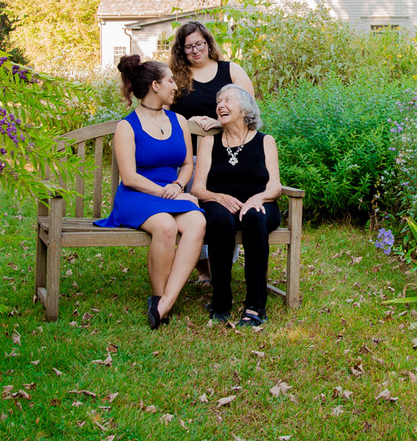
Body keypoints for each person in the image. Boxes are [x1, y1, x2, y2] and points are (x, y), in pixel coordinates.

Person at [94, 55, 206, 330]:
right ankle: (159, 296)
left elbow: (186, 164)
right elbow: (130, 177)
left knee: (197, 222)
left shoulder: (178, 120)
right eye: (169, 80)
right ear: (155, 85)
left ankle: (165, 301)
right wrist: (170, 194)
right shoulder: (126, 126)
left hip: (171, 191)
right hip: (138, 195)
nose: (174, 85)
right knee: (166, 227)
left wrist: (179, 186)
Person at [169, 20, 254, 286]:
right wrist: (188, 123)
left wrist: (221, 123)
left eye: (199, 44)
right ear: (181, 51)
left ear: (208, 42)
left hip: (228, 157)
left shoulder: (231, 71)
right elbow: (162, 115)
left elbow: (250, 112)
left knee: (225, 209)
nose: (195, 51)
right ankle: (203, 269)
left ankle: (221, 267)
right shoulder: (176, 77)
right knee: (193, 212)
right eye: (188, 47)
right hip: (188, 160)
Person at [191, 85, 282, 327]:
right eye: (218, 102)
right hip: (220, 206)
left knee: (254, 218)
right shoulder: (210, 143)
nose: (220, 105)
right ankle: (221, 302)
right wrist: (218, 196)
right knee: (220, 220)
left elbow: (276, 187)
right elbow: (197, 189)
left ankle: (255, 305)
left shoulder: (265, 141)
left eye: (227, 100)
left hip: (259, 205)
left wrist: (259, 198)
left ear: (245, 108)